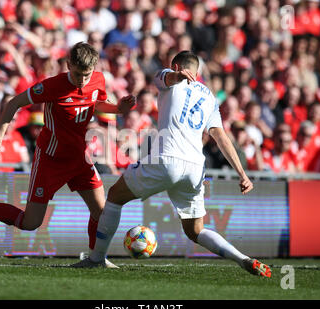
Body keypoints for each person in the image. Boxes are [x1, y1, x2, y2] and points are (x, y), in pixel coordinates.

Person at [73, 51, 272, 278]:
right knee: (195, 230)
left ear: (176, 65)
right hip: (196, 168)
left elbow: (167, 78)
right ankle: (242, 259)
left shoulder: (168, 76)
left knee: (115, 196)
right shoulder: (210, 97)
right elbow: (220, 136)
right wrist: (242, 173)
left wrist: (176, 77)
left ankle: (96, 259)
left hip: (168, 159)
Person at [0, 42, 135, 266]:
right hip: (50, 160)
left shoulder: (97, 80)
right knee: (30, 223)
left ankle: (95, 259)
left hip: (80, 159)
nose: (82, 80)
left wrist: (118, 109)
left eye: (87, 74)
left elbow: (98, 102)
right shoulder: (53, 86)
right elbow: (14, 102)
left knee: (101, 212)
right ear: (67, 65)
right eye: (77, 74)